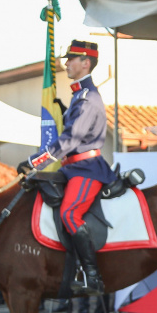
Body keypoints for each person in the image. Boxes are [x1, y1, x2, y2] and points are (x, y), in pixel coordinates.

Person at [19, 39, 117, 295]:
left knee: (70, 214)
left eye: (72, 59)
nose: (66, 63)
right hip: (71, 168)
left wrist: (35, 162)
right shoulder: (78, 96)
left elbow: (70, 140)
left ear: (86, 63)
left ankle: (92, 276)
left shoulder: (87, 98)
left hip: (87, 168)